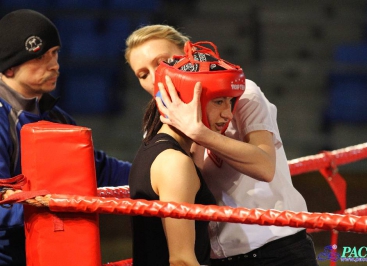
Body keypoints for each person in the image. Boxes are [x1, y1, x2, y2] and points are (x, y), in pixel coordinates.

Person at [125, 24, 318, 266]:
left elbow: (265, 166)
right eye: (143, 74)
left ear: (189, 54)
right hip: (214, 255)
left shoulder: (243, 93)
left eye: (163, 61)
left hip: (274, 248)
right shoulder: (160, 131)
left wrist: (198, 132)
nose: (156, 77)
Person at [0, 9, 131, 265]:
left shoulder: (55, 116)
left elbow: (95, 169)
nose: (55, 65)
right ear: (11, 66)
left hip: (50, 252)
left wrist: (158, 172)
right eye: (40, 56)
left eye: (55, 53)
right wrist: (58, 205)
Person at [129, 41, 245, 265]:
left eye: (230, 102)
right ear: (185, 99)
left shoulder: (157, 148)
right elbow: (181, 259)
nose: (227, 113)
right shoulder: (175, 163)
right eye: (218, 101)